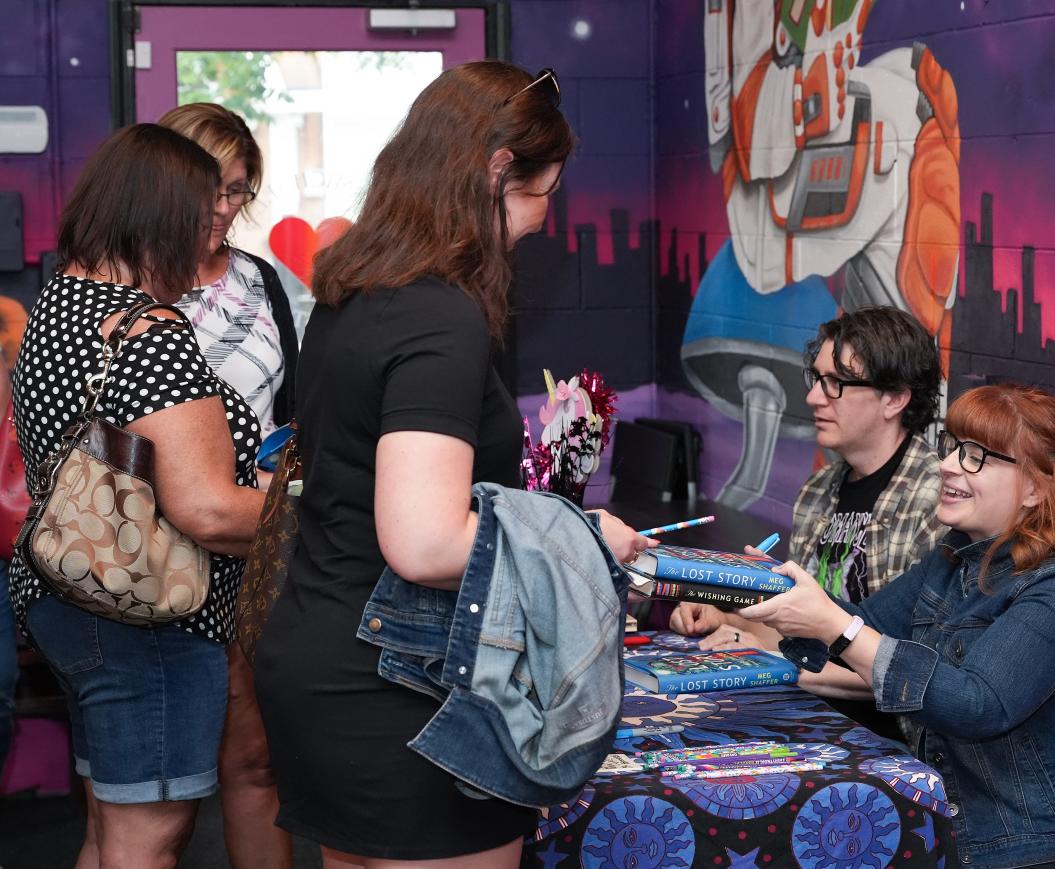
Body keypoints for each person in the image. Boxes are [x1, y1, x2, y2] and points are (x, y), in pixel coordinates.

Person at [253, 62, 652, 869]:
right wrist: (578, 539)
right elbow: (426, 540)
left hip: (322, 650)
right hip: (396, 681)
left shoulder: (357, 289)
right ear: (498, 172)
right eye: (545, 193)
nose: (545, 219)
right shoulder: (440, 315)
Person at [740, 384, 1055, 868]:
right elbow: (861, 624)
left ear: (1037, 488)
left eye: (977, 456)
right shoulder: (952, 560)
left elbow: (976, 704)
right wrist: (755, 585)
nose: (949, 465)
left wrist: (836, 627)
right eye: (952, 447)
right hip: (964, 843)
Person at [8, 123, 264, 869]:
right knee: (148, 838)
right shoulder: (150, 330)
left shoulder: (59, 303)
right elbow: (208, 508)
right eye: (203, 215)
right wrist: (314, 506)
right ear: (161, 217)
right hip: (149, 613)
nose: (211, 233)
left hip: (71, 596)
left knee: (111, 830)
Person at [158, 102, 298, 869]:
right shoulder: (128, 285)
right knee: (155, 798)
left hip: (250, 554)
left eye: (237, 190)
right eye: (208, 186)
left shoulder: (261, 283)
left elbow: (292, 415)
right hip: (150, 566)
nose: (221, 208)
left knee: (255, 764)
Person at [672, 308, 942, 688]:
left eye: (836, 382)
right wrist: (726, 622)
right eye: (817, 378)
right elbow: (805, 638)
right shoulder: (818, 491)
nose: (814, 396)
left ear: (895, 398)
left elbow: (920, 674)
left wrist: (772, 663)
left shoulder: (934, 501)